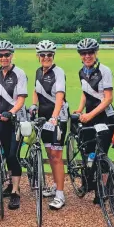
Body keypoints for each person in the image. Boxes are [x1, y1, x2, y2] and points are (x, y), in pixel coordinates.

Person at [72, 38, 114, 205]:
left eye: (90, 52)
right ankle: (88, 180)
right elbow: (85, 93)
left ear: (96, 53)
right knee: (87, 150)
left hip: (105, 117)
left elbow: (108, 98)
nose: (87, 56)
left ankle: (102, 188)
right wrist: (80, 109)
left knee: (101, 154)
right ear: (80, 56)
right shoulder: (81, 72)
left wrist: (90, 115)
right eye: (84, 53)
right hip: (89, 116)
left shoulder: (104, 70)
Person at [30, 40, 69, 210]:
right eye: (43, 55)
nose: (46, 58)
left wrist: (54, 117)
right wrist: (33, 105)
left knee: (56, 156)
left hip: (57, 118)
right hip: (43, 118)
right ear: (38, 56)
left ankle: (60, 194)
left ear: (53, 56)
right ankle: (55, 184)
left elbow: (60, 96)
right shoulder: (38, 72)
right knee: (49, 154)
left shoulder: (58, 72)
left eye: (49, 55)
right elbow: (35, 91)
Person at [0, 40, 28, 210]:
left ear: (12, 55)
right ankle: (11, 185)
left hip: (16, 120)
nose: (4, 58)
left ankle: (16, 192)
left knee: (13, 155)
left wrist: (11, 112)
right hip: (0, 120)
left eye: (7, 55)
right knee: (4, 153)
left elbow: (21, 99)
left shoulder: (19, 73)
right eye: (0, 55)